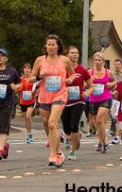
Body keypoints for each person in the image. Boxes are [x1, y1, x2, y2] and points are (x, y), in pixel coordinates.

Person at [29, 34, 76, 168]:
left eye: (53, 44)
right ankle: (59, 152)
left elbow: (72, 73)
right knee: (49, 124)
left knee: (52, 123)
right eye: (48, 44)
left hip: (60, 95)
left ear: (58, 46)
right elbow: (30, 79)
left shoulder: (65, 60)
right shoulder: (40, 60)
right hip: (45, 95)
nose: (50, 47)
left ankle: (52, 155)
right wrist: (39, 76)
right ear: (45, 46)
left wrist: (70, 79)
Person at [59, 46, 92, 160]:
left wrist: (87, 93)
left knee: (74, 124)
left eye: (76, 53)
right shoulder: (62, 69)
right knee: (66, 127)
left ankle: (72, 152)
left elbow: (91, 85)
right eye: (72, 53)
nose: (74, 55)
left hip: (78, 101)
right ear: (67, 55)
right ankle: (72, 139)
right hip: (65, 100)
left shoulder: (82, 70)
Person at [88, 52, 116, 153]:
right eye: (95, 60)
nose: (97, 62)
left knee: (100, 119)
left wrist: (110, 84)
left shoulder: (108, 72)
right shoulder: (90, 72)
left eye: (99, 60)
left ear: (103, 61)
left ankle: (102, 143)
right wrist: (89, 81)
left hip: (106, 98)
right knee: (98, 124)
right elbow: (83, 85)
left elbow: (115, 82)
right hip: (93, 99)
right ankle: (104, 142)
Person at [17, 63, 37, 144]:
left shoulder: (33, 79)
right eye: (25, 68)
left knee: (28, 116)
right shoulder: (20, 79)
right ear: (23, 70)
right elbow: (16, 89)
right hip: (23, 101)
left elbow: (36, 88)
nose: (27, 70)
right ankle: (29, 134)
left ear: (30, 70)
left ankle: (30, 135)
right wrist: (19, 88)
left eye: (28, 68)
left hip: (31, 101)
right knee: (26, 119)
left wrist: (35, 92)